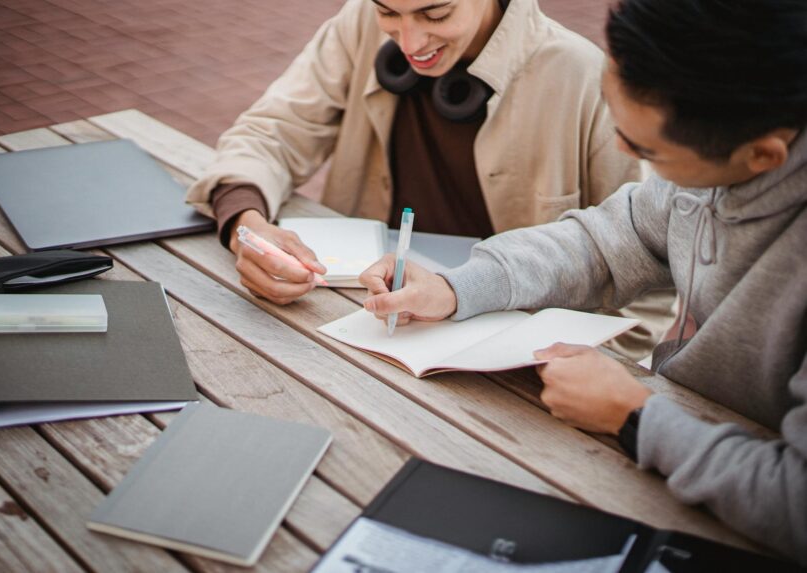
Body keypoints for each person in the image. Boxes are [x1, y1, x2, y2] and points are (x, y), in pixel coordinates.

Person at [359, 0, 807, 562]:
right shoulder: (713, 145)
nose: (622, 150)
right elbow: (601, 241)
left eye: (646, 150)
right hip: (668, 451)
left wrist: (634, 416)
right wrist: (457, 288)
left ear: (762, 156)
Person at [185, 0, 675, 360]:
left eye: (436, 14)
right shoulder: (358, 22)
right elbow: (273, 131)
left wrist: (605, 364)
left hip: (518, 359)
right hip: (363, 324)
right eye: (388, 13)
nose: (410, 42)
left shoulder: (580, 74)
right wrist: (246, 223)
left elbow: (648, 266)